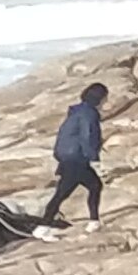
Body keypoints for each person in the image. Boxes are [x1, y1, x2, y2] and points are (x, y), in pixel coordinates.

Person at [45, 81, 109, 227]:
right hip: (76, 159)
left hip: (67, 157)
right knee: (67, 193)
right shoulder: (89, 114)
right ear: (100, 98)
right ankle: (43, 226)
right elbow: (88, 137)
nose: (107, 100)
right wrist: (94, 159)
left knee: (69, 192)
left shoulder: (77, 112)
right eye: (106, 97)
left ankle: (94, 221)